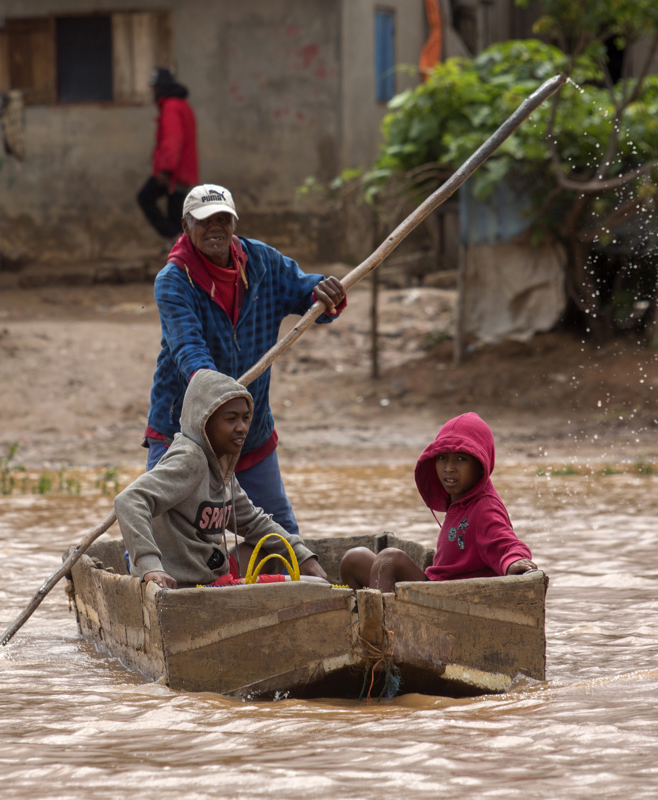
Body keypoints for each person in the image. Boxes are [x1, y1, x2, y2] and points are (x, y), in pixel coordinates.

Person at [144, 183, 347, 538]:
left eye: (223, 219)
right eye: (204, 221)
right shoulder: (174, 281)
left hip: (247, 431)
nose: (215, 228)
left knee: (281, 536)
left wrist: (325, 292)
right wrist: (218, 395)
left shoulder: (263, 264)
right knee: (162, 533)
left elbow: (307, 295)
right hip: (183, 432)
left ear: (234, 223)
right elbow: (189, 352)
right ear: (186, 226)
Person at [116, 370, 329, 589]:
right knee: (313, 585)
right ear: (204, 422)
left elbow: (254, 522)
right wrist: (150, 565)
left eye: (246, 418)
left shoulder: (221, 465)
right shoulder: (190, 459)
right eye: (231, 419)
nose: (242, 428)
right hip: (188, 586)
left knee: (271, 549)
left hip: (211, 572)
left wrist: (302, 555)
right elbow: (129, 500)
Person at [340, 412, 540, 592]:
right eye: (442, 457)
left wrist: (513, 562)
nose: (449, 468)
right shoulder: (458, 499)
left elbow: (507, 544)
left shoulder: (484, 508)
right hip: (434, 587)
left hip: (451, 600)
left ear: (481, 465)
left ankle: (383, 628)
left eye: (461, 459)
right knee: (354, 558)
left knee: (389, 559)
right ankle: (368, 618)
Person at [136, 68, 198, 241]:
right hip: (182, 170)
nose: (153, 92)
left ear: (161, 87)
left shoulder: (171, 107)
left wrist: (165, 169)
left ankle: (174, 240)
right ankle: (179, 248)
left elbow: (173, 139)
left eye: (155, 87)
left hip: (174, 171)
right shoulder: (181, 105)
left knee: (145, 198)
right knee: (176, 214)